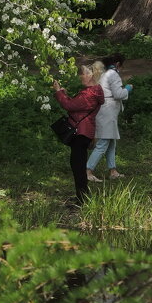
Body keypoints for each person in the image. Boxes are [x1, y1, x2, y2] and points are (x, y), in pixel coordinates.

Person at [53, 63, 105, 206]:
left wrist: (58, 92)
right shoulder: (92, 92)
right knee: (78, 165)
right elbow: (76, 106)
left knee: (78, 166)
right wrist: (64, 94)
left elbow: (69, 106)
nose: (80, 76)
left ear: (90, 75)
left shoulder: (90, 93)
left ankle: (82, 199)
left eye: (83, 73)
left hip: (81, 132)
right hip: (84, 131)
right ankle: (82, 196)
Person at [86, 53, 133, 182]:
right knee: (103, 143)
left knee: (111, 141)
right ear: (118, 64)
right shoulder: (113, 74)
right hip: (108, 112)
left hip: (105, 111)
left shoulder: (104, 74)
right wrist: (128, 89)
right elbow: (118, 94)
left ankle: (113, 171)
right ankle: (88, 170)